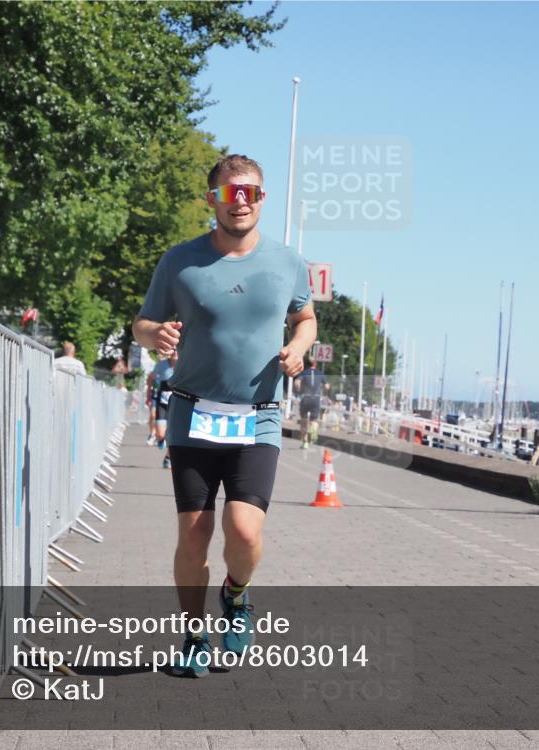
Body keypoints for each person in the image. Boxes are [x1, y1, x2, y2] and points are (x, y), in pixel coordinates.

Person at [132, 154, 316, 677]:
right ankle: (193, 636)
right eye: (231, 192)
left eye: (252, 192)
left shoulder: (287, 261)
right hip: (193, 412)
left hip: (257, 416)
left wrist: (300, 345)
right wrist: (154, 334)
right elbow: (141, 323)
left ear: (262, 199)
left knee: (245, 531)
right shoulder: (179, 261)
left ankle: (237, 595)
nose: (241, 202)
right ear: (211, 198)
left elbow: (306, 317)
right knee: (193, 535)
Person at [295, 354, 329, 449]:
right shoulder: (320, 373)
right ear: (315, 364)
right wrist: (323, 388)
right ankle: (314, 430)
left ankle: (305, 442)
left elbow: (297, 383)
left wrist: (298, 389)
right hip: (316, 398)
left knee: (304, 421)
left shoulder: (304, 373)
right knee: (314, 420)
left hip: (306, 398)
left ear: (307, 364)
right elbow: (326, 386)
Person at [152, 350, 178, 468]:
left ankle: (168, 457)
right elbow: (151, 378)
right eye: (173, 350)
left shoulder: (185, 365)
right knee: (161, 435)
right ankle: (163, 442)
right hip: (162, 403)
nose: (175, 353)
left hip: (177, 404)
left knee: (174, 438)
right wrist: (149, 395)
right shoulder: (162, 365)